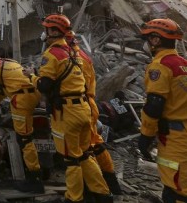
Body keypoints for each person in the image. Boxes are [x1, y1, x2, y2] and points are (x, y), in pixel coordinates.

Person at [29, 14, 112, 203]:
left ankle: (74, 197)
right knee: (84, 154)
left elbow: (44, 86)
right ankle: (102, 193)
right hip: (83, 109)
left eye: (46, 29)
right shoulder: (74, 52)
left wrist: (32, 77)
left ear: (53, 31)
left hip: (67, 113)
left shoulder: (52, 54)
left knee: (71, 159)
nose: (44, 33)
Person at [137, 18, 187, 203]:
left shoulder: (161, 66)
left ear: (156, 40)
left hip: (177, 139)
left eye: (147, 39)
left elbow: (154, 105)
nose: (145, 43)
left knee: (176, 192)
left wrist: (146, 136)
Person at [0, 42, 44, 193]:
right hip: (34, 93)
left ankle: (35, 180)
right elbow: (1, 92)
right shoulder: (9, 63)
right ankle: (35, 174)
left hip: (21, 99)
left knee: (25, 138)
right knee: (27, 135)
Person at [66, 31, 122, 195]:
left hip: (80, 105)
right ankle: (112, 184)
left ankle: (97, 190)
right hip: (89, 104)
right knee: (96, 144)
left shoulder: (72, 57)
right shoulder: (81, 54)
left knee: (82, 152)